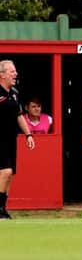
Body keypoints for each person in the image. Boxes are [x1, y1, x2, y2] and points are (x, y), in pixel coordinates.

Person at [0, 60, 35, 219]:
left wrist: (28, 134)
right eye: (12, 71)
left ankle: (3, 208)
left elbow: (19, 115)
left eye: (15, 71)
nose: (15, 74)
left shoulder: (14, 92)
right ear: (2, 74)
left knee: (10, 174)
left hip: (10, 138)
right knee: (5, 172)